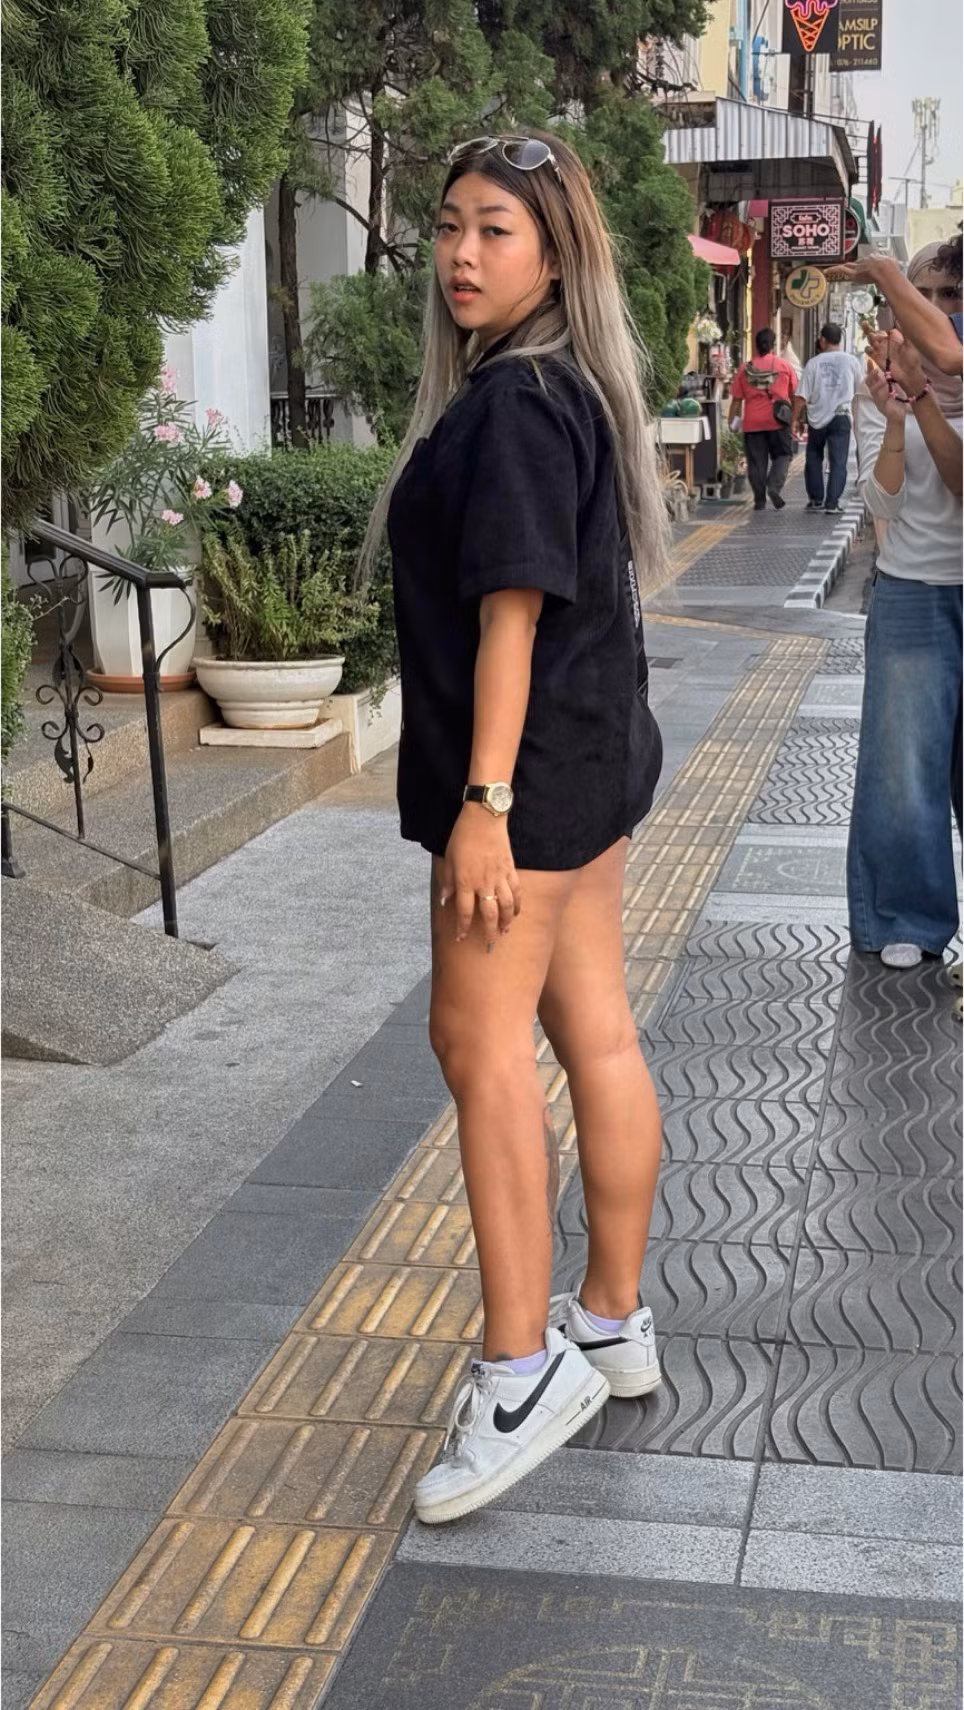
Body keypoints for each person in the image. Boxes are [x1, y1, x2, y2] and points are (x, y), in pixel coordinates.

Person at [362, 133, 666, 1525]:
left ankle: (520, 1372)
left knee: (476, 1047)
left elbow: (512, 616)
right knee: (594, 1029)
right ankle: (609, 1317)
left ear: (553, 252)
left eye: (494, 228)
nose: (461, 254)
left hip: (528, 783)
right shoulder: (567, 387)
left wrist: (482, 807)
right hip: (591, 763)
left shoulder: (515, 407)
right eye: (448, 226)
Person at [847, 243, 963, 970]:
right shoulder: (874, 387)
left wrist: (923, 397)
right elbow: (880, 503)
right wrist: (897, 413)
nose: (938, 307)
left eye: (951, 294)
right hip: (913, 590)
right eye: (923, 293)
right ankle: (906, 916)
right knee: (904, 764)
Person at [825, 236, 963, 376]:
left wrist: (886, 273)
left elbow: (952, 357)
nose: (933, 307)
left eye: (949, 294)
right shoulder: (887, 377)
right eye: (920, 295)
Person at [792, 324, 865, 513]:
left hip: (817, 419)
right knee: (838, 461)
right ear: (840, 340)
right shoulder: (852, 362)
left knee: (814, 457)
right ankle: (832, 503)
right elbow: (861, 392)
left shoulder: (813, 363)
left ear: (823, 340)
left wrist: (794, 419)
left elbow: (801, 397)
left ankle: (816, 500)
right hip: (842, 416)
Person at [727, 327, 797, 510]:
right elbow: (795, 394)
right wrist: (796, 419)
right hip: (778, 421)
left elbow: (736, 400)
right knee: (783, 455)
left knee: (756, 462)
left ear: (756, 345)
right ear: (773, 345)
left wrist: (731, 421)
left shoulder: (745, 369)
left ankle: (759, 500)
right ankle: (774, 486)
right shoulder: (784, 366)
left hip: (753, 423)